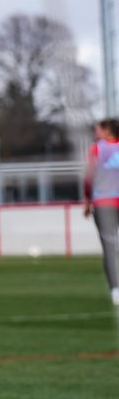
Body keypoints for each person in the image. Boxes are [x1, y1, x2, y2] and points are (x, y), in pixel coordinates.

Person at [81, 117, 119, 306]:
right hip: (108, 201)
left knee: (110, 247)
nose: (96, 132)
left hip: (104, 201)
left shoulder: (97, 149)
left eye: (98, 129)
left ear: (107, 130)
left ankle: (115, 289)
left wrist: (87, 199)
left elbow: (89, 177)